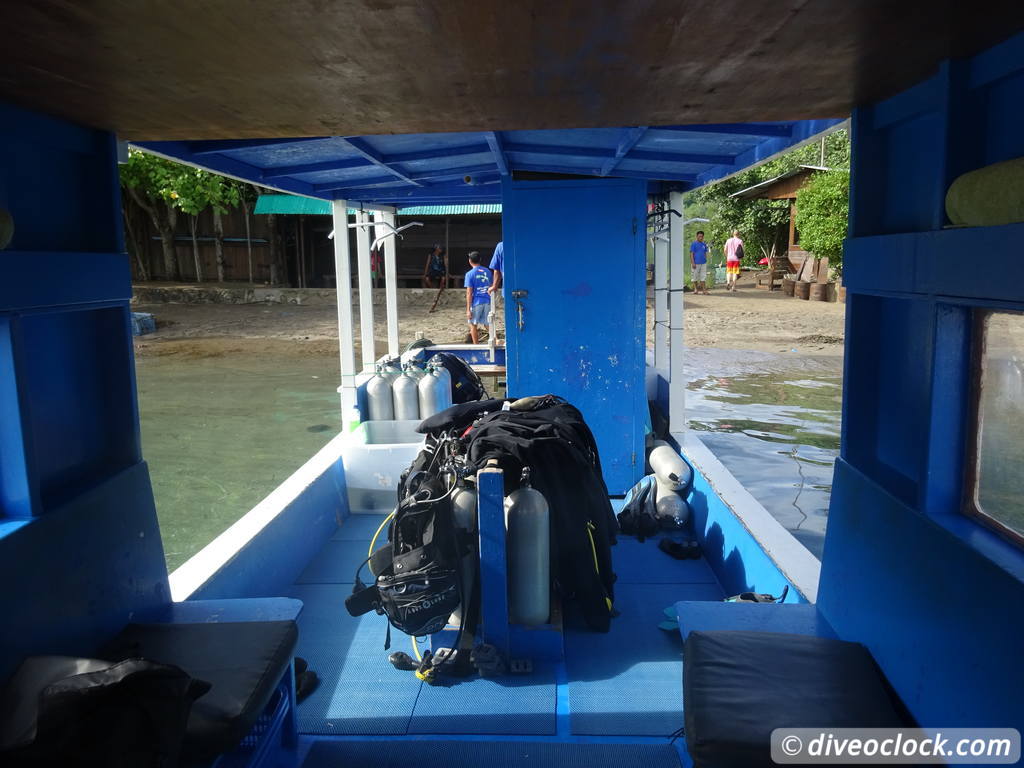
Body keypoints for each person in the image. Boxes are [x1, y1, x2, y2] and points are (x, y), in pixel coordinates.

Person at [464, 251, 492, 344]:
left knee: (473, 325)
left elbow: (469, 292)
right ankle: (494, 340)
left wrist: (468, 309)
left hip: (476, 302)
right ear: (480, 260)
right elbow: (491, 286)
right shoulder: (488, 271)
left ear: (470, 261)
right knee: (488, 324)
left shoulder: (469, 274)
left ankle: (476, 345)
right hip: (488, 300)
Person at [690, 231, 710, 295]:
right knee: (694, 277)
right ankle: (696, 289)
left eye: (702, 236)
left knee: (703, 277)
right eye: (699, 236)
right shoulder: (694, 244)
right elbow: (691, 254)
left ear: (703, 237)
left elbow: (705, 253)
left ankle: (704, 290)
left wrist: (706, 259)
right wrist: (693, 263)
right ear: (697, 236)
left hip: (703, 263)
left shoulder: (704, 244)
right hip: (696, 263)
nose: (700, 238)